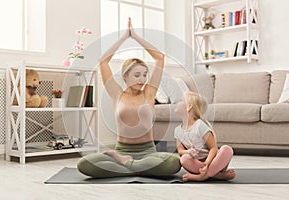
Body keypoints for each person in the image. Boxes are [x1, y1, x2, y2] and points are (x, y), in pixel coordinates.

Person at [77, 18, 181, 178]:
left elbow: (160, 57)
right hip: (120, 151)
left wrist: (136, 37)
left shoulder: (149, 93)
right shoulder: (116, 94)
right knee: (84, 165)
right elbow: (103, 61)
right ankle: (138, 167)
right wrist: (125, 37)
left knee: (173, 163)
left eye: (145, 75)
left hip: (148, 153)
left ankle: (126, 164)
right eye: (137, 75)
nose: (142, 79)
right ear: (125, 77)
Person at [174, 91, 236, 182]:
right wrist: (188, 152)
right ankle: (217, 175)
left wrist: (207, 163)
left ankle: (202, 177)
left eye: (180, 100)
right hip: (197, 165)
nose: (177, 102)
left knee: (227, 149)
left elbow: (213, 148)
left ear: (189, 107)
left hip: (213, 161)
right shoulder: (177, 131)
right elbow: (180, 151)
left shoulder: (200, 125)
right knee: (184, 159)